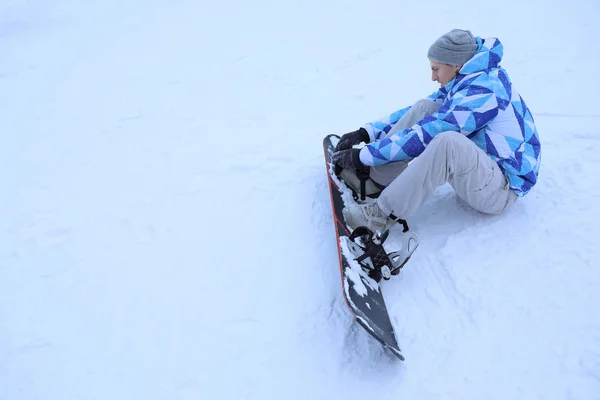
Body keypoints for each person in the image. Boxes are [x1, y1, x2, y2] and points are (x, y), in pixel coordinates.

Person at [332, 29, 541, 236]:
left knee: (448, 142)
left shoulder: (485, 92)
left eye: (436, 69)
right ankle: (375, 180)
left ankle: (379, 215)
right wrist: (367, 133)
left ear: (456, 65)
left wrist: (364, 156)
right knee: (426, 107)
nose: (433, 77)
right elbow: (424, 113)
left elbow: (427, 134)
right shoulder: (471, 77)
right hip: (484, 170)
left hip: (500, 190)